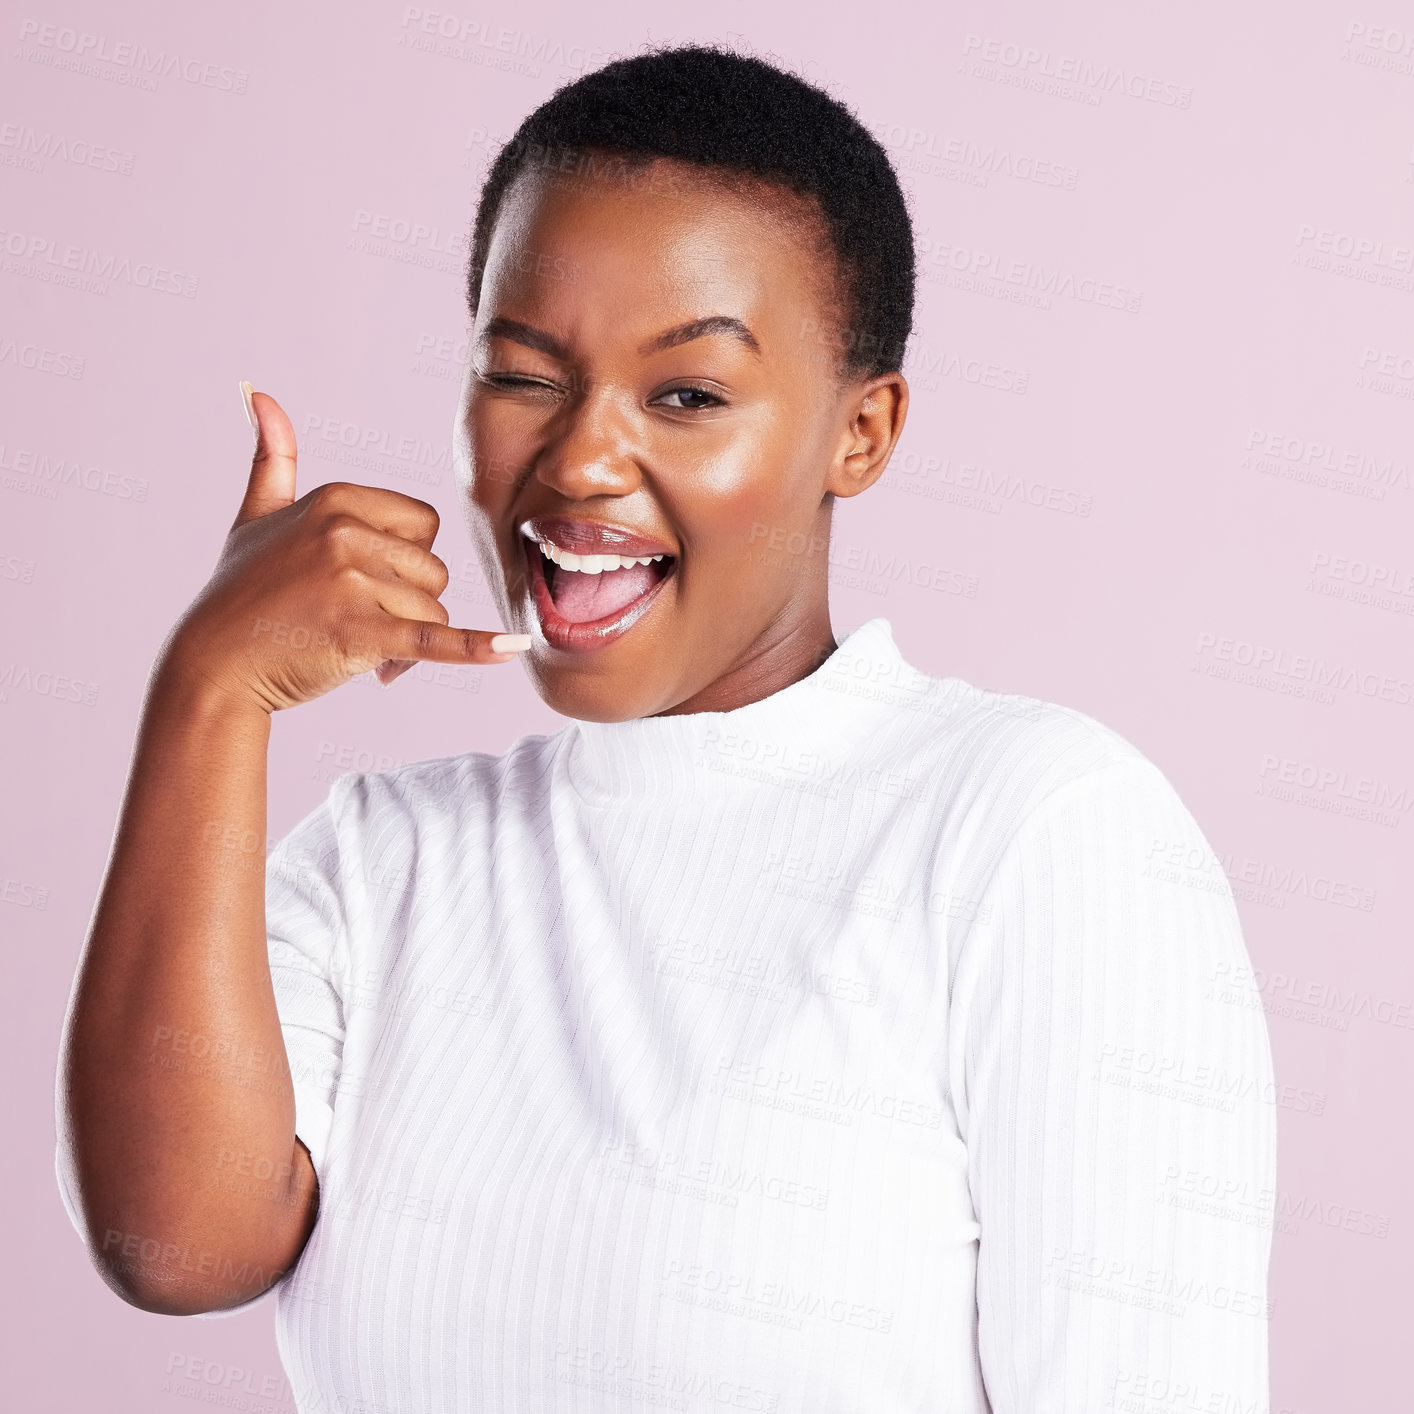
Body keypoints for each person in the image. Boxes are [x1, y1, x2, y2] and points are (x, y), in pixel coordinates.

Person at [56, 43, 1276, 1413]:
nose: (578, 459)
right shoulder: (382, 861)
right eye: (522, 376)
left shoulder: (1033, 830)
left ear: (857, 434)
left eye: (685, 394)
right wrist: (208, 695)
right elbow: (174, 1246)